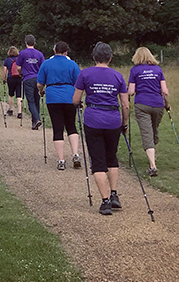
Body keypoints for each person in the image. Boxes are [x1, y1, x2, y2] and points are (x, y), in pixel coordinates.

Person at [73, 42, 129, 216]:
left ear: (93, 57)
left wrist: (81, 103)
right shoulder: (118, 76)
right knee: (111, 157)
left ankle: (105, 201)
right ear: (110, 58)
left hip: (93, 120)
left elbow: (75, 99)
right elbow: (125, 104)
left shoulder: (85, 74)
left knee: (98, 160)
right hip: (113, 120)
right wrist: (124, 123)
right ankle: (114, 194)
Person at [37, 41, 82, 170]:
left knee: (58, 128)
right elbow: (78, 83)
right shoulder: (72, 64)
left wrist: (41, 91)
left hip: (53, 97)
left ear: (54, 50)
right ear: (66, 52)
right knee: (71, 126)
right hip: (69, 97)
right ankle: (75, 153)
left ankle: (61, 160)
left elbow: (40, 83)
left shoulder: (46, 63)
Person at [128, 47, 170, 177]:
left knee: (147, 133)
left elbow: (131, 91)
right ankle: (153, 160)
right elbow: (165, 91)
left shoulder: (135, 70)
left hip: (142, 104)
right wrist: (167, 105)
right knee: (153, 131)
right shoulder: (158, 70)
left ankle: (153, 166)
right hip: (158, 104)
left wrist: (127, 97)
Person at [16, 35, 46, 129]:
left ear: (26, 43)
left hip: (27, 79)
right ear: (34, 43)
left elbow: (18, 67)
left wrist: (21, 73)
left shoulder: (22, 53)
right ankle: (34, 123)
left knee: (31, 101)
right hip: (38, 79)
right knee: (36, 100)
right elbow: (42, 68)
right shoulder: (39, 54)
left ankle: (36, 119)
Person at [3, 46, 23, 119]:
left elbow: (5, 71)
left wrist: (4, 79)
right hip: (19, 78)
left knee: (11, 94)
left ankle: (11, 109)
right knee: (19, 96)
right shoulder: (19, 59)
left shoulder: (7, 60)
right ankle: (19, 112)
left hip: (10, 78)